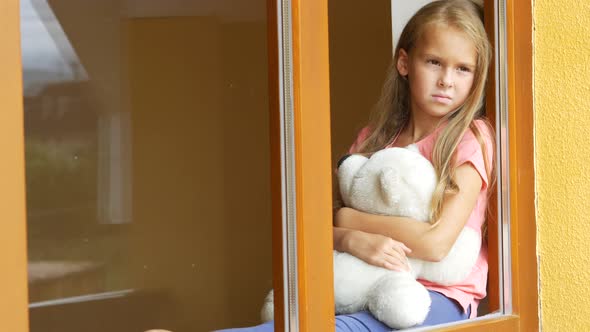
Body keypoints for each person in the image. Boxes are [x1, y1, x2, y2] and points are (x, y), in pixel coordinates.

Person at [216, 0, 494, 330]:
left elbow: (436, 243)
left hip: (435, 299)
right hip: (362, 286)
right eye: (434, 62)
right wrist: (350, 239)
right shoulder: (373, 140)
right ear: (405, 63)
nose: (447, 80)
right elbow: (317, 230)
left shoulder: (471, 137)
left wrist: (350, 219)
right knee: (297, 321)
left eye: (463, 68)